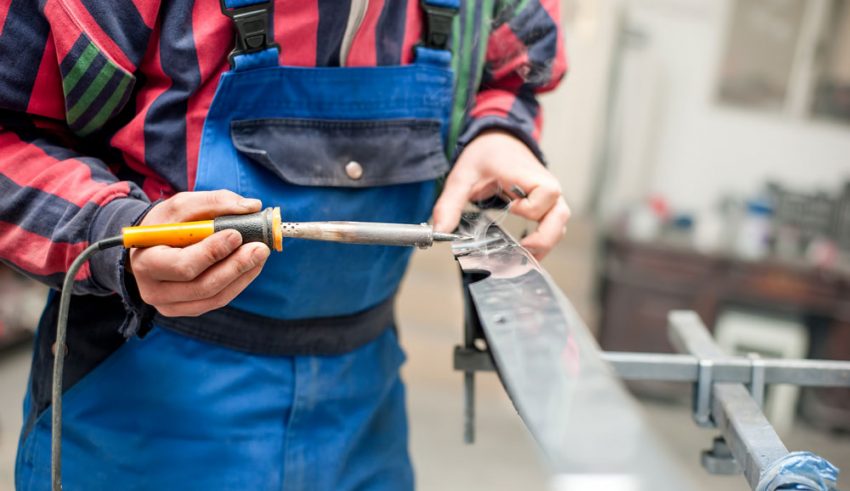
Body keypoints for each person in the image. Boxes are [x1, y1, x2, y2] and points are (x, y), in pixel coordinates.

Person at [0, 0, 568, 489]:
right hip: (143, 410)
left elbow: (512, 75)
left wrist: (500, 130)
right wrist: (115, 229)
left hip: (362, 408)